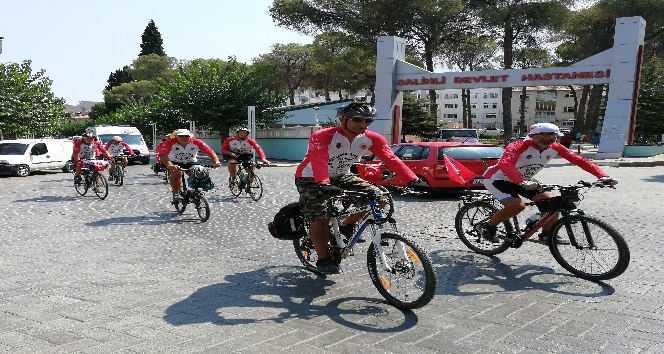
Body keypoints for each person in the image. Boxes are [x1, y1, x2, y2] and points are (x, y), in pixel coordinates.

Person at [295, 101, 420, 274]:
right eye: (357, 120)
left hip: (342, 175)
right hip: (311, 177)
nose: (362, 125)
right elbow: (319, 159)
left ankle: (347, 225)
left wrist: (411, 178)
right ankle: (323, 259)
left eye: (367, 121)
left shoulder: (372, 139)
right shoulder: (324, 135)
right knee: (319, 218)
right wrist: (323, 183)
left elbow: (390, 159)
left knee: (380, 198)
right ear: (343, 119)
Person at [481, 123, 617, 243]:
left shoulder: (555, 147)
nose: (548, 138)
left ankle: (547, 234)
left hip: (523, 180)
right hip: (497, 179)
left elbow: (579, 160)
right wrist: (521, 181)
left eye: (552, 135)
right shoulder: (518, 146)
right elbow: (505, 164)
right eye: (543, 135)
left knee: (553, 201)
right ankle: (487, 227)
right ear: (533, 136)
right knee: (517, 205)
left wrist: (602, 176)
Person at [157, 129, 222, 202]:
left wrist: (216, 161)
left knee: (199, 171)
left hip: (191, 162)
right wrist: (170, 165)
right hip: (174, 162)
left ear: (190, 137)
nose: (184, 138)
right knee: (177, 173)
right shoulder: (169, 142)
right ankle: (176, 193)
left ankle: (197, 190)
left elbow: (210, 152)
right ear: (176, 137)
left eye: (186, 136)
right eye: (181, 136)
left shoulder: (196, 142)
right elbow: (163, 155)